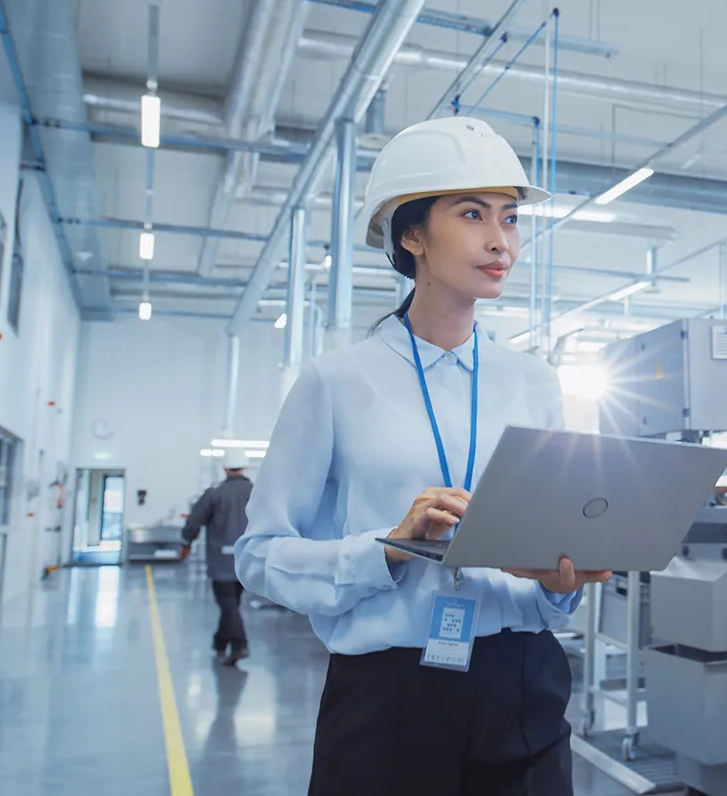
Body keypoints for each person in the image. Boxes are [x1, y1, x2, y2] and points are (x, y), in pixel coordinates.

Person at [236, 117, 611, 796]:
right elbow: (259, 554)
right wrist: (389, 547)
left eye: (510, 217)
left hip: (523, 684)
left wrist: (561, 587)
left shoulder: (534, 382)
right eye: (472, 214)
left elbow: (553, 561)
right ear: (411, 235)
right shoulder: (335, 381)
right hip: (389, 697)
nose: (501, 240)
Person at [182, 449, 254, 666]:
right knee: (232, 604)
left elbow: (195, 521)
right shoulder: (257, 492)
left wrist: (186, 543)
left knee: (228, 604)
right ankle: (220, 641)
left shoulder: (214, 493)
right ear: (245, 466)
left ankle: (240, 644)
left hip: (221, 562)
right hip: (248, 561)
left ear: (224, 468)